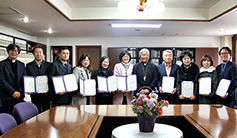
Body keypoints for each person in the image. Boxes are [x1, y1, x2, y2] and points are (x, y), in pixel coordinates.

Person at [0, 44, 26, 115]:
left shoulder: (21, 64)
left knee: (20, 116)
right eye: (11, 50)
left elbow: (24, 79)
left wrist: (19, 91)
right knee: (8, 117)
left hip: (19, 96)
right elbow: (1, 80)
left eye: (16, 50)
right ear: (8, 51)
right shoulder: (2, 64)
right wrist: (13, 92)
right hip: (7, 96)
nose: (14, 52)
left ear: (18, 53)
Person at [26, 46, 51, 112]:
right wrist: (29, 89)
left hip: (45, 93)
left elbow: (50, 78)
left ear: (43, 54)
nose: (38, 54)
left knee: (46, 112)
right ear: (33, 54)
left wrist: (48, 88)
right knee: (35, 111)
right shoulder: (29, 66)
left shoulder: (49, 65)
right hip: (35, 94)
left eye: (40, 52)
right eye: (36, 52)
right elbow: (28, 78)